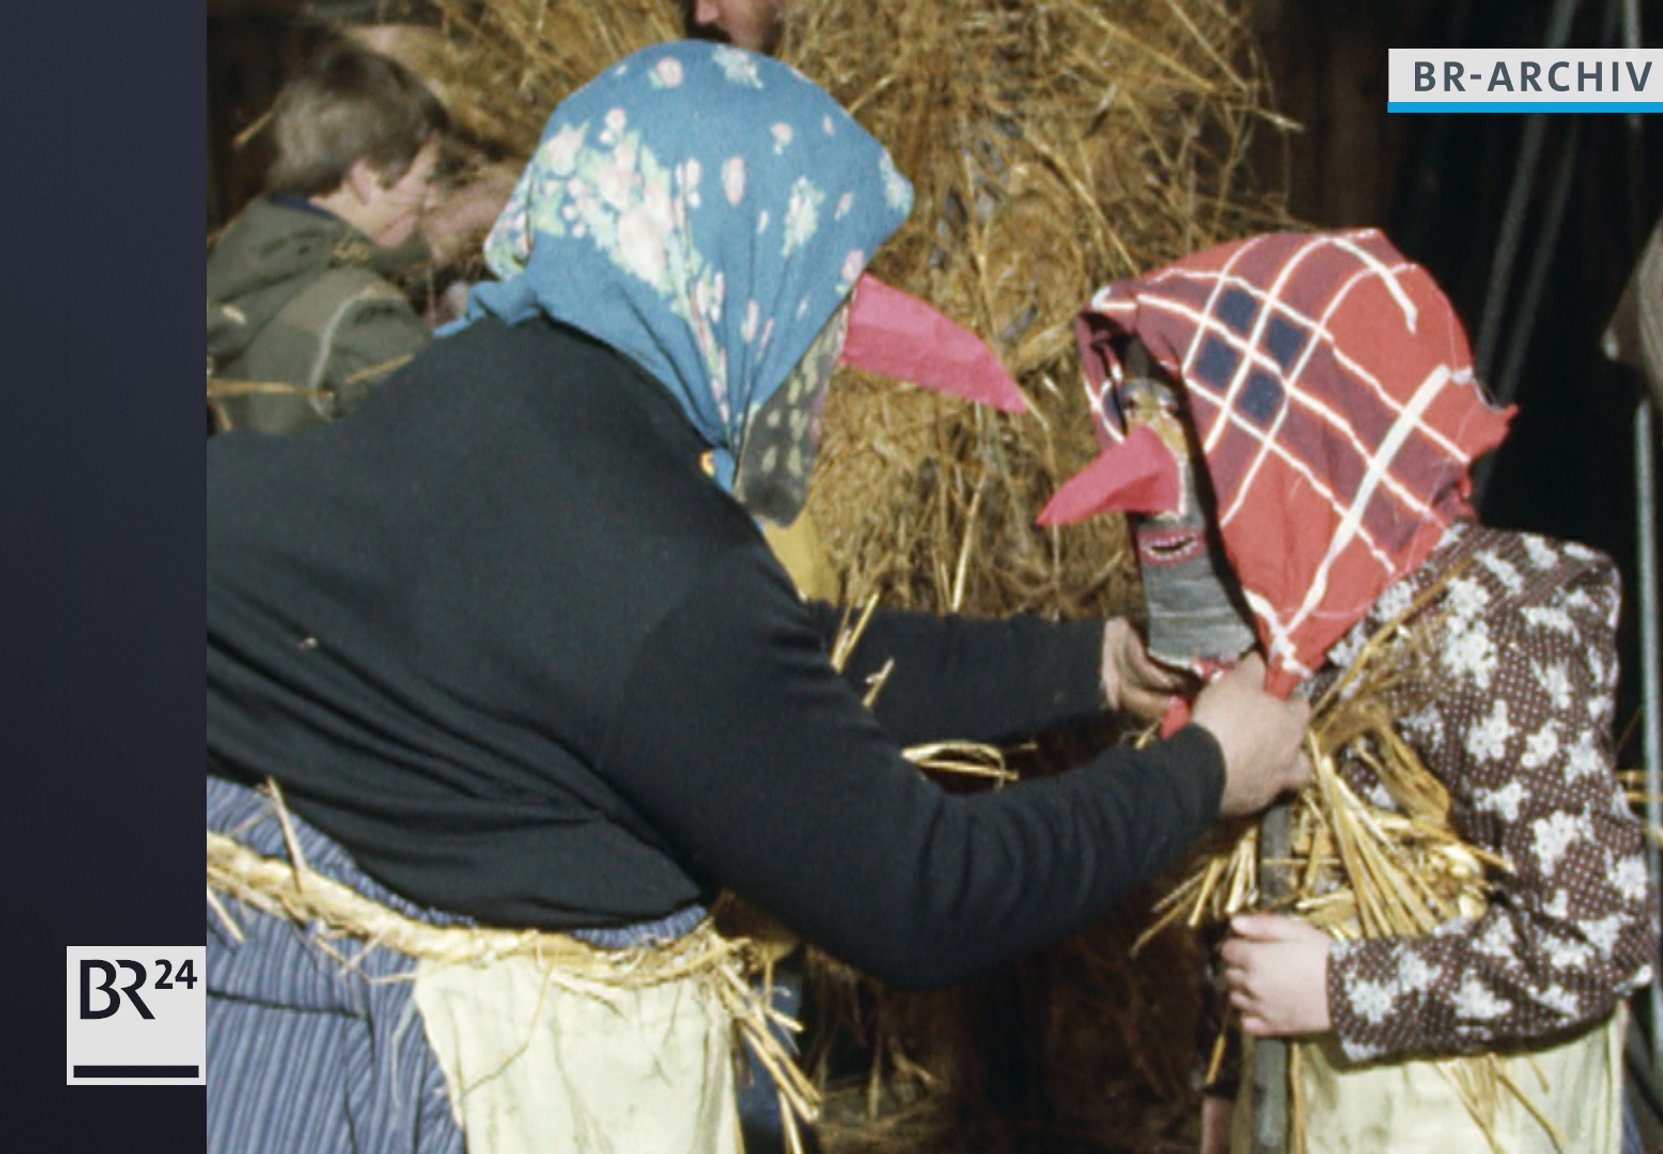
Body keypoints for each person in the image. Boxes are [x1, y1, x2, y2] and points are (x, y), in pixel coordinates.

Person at [205, 42, 1311, 1154]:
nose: (829, 346)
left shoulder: (474, 392)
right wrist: (1202, 769)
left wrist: (1088, 665)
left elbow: (746, 682)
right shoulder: (658, 561)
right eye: (820, 289)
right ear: (733, 273)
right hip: (431, 1094)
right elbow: (920, 891)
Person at [1040, 229, 1660, 1154]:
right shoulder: (1290, 630)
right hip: (1327, 1112)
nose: (1153, 476)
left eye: (1191, 427)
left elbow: (1604, 932)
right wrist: (1231, 1082)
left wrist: (1342, 989)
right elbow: (1264, 885)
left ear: (1309, 440)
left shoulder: (1484, 637)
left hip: (1469, 1121)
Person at [206, 39, 507, 435]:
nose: (433, 199)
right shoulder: (363, 325)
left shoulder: (240, 251)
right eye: (427, 178)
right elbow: (457, 444)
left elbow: (336, 256)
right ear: (366, 177)